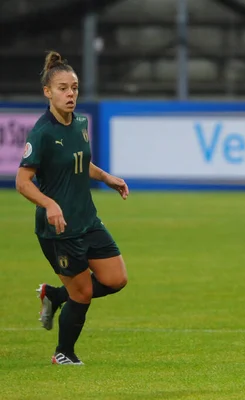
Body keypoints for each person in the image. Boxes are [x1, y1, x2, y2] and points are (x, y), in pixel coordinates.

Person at [15, 51, 130, 365]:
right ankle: (63, 353)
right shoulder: (42, 133)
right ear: (47, 92)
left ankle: (54, 296)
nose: (70, 94)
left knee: (116, 279)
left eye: (74, 88)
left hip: (87, 218)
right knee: (82, 294)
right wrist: (49, 203)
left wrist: (107, 177)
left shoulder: (80, 122)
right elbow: (23, 182)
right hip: (59, 229)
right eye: (63, 88)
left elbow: (80, 163)